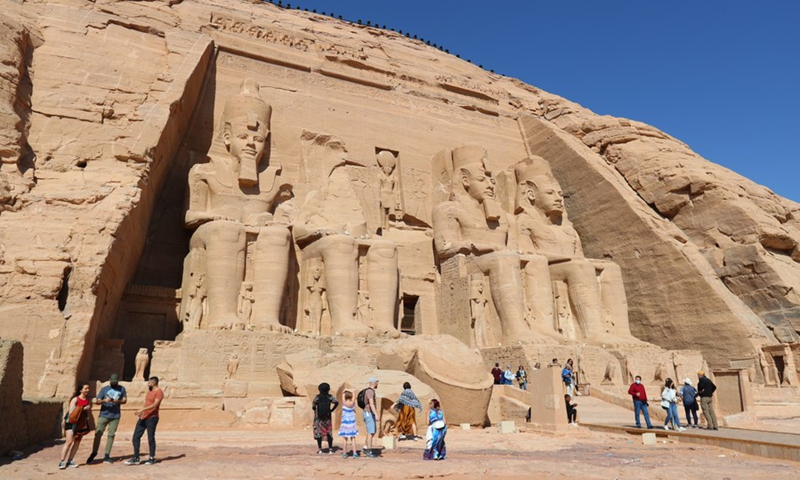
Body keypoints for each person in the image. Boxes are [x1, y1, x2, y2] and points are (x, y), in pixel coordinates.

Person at [87, 373, 127, 464]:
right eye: (112, 382)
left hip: (115, 415)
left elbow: (124, 400)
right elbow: (97, 401)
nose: (113, 383)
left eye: (115, 382)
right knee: (98, 433)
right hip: (104, 414)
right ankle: (94, 452)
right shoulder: (104, 389)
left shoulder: (122, 389)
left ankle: (107, 455)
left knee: (111, 435)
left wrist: (118, 401)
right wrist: (105, 400)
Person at [125, 376, 163, 465]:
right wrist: (141, 411)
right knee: (136, 437)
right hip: (144, 417)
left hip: (152, 417)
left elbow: (155, 405)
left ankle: (152, 457)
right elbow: (147, 403)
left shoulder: (159, 392)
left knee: (150, 438)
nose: (148, 383)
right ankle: (136, 457)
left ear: (154, 382)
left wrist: (143, 409)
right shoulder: (149, 391)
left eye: (149, 381)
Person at [59, 383, 93, 469]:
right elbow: (71, 413)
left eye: (88, 388)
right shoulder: (75, 399)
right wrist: (82, 408)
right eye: (85, 388)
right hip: (71, 423)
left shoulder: (87, 400)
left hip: (80, 424)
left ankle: (70, 460)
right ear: (81, 390)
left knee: (77, 442)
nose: (87, 390)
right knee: (69, 442)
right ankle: (62, 461)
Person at [312, 382, 339, 454]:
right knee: (329, 432)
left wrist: (316, 411)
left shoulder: (317, 397)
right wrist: (332, 410)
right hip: (327, 418)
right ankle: (330, 449)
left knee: (318, 433)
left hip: (318, 418)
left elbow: (313, 406)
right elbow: (336, 402)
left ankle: (320, 449)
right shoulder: (330, 397)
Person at [338, 389, 359, 458]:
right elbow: (354, 395)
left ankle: (344, 453)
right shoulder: (352, 403)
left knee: (345, 438)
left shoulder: (344, 403)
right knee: (353, 438)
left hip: (345, 423)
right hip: (352, 423)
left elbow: (343, 393)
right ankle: (355, 453)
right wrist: (352, 391)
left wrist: (345, 390)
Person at [362, 377, 379, 458]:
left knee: (372, 431)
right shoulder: (370, 391)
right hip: (368, 413)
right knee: (370, 432)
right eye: (377, 382)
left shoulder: (369, 391)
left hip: (369, 413)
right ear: (375, 383)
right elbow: (371, 403)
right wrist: (376, 414)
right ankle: (369, 451)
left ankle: (365, 447)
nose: (377, 384)